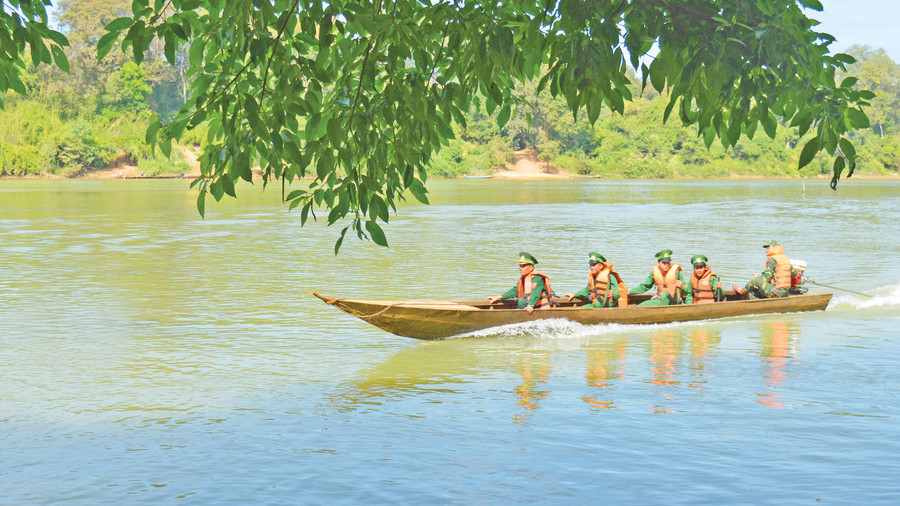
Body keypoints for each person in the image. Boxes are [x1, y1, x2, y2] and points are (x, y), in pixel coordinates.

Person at [488, 252, 554, 313]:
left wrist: (531, 305)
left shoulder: (537, 278)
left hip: (539, 308)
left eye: (523, 266)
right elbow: (515, 290)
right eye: (520, 266)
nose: (521, 268)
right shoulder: (524, 278)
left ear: (531, 267)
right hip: (528, 305)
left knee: (521, 301)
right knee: (521, 301)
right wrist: (500, 297)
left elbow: (535, 293)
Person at [733, 240, 798, 299]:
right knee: (752, 293)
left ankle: (742, 291)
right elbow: (794, 274)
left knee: (756, 280)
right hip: (785, 293)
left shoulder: (772, 260)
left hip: (777, 292)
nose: (767, 250)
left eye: (768, 247)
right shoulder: (785, 259)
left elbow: (766, 278)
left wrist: (756, 278)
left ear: (775, 248)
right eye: (766, 248)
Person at [564, 252, 628, 308]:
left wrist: (613, 294)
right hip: (596, 305)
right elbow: (587, 291)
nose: (592, 267)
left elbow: (617, 293)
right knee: (581, 309)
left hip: (608, 307)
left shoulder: (610, 277)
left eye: (594, 265)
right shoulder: (593, 277)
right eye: (591, 265)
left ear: (600, 266)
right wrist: (575, 294)